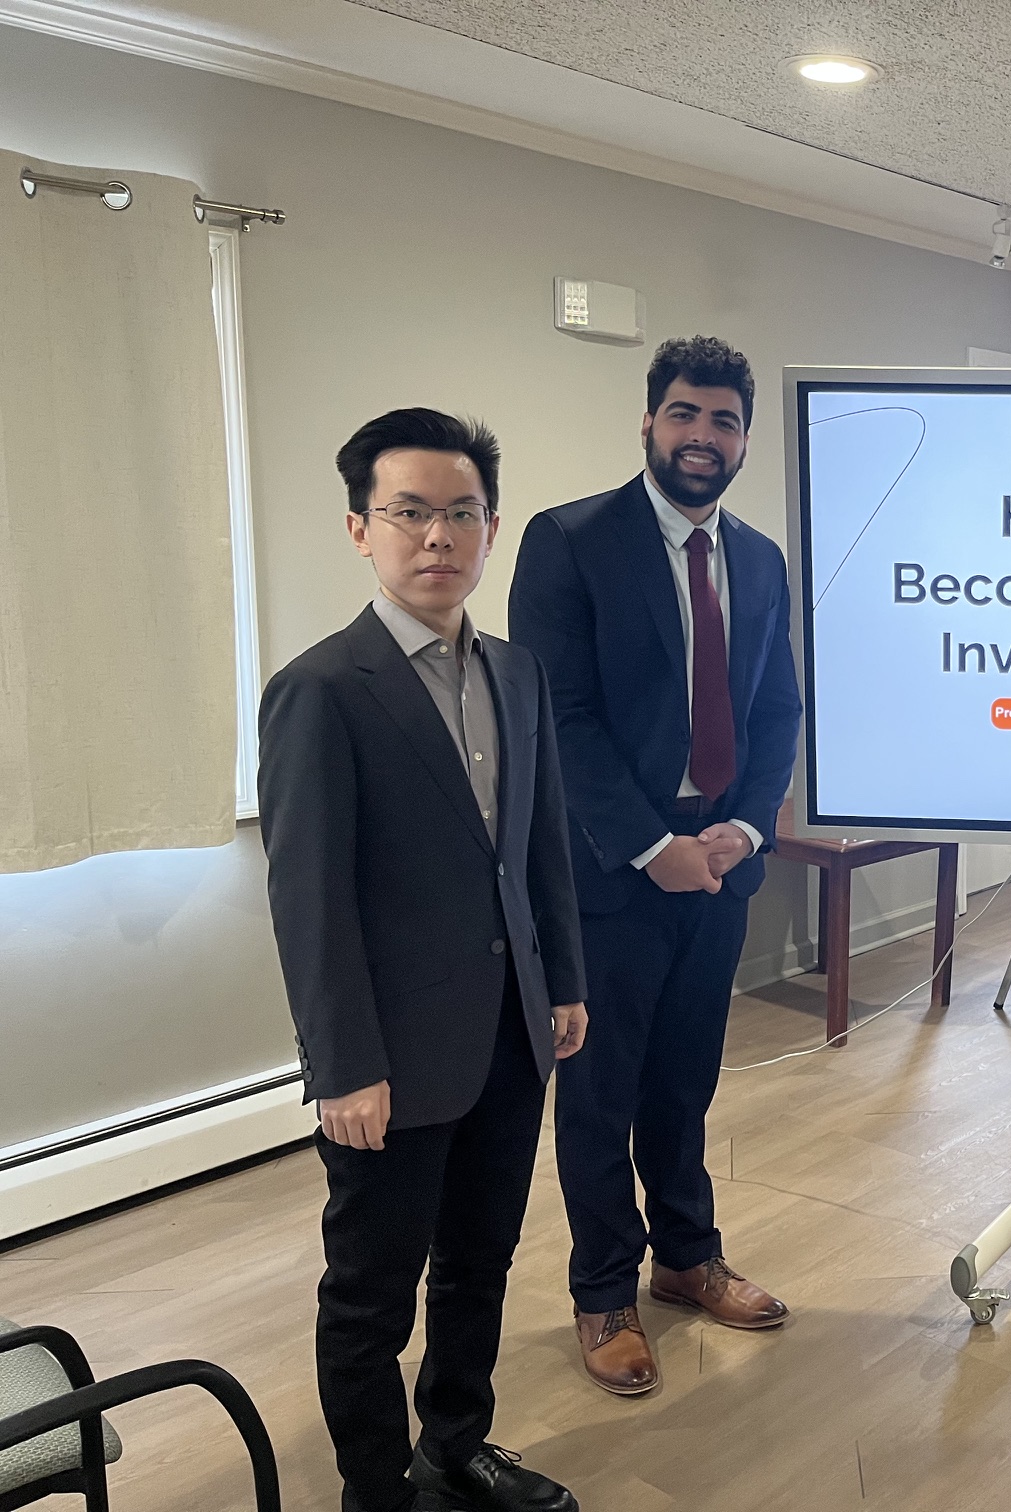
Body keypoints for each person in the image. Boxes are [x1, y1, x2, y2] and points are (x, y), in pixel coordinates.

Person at [259, 409, 588, 1512]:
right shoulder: (323, 690)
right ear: (360, 528)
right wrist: (340, 1065)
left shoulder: (518, 673)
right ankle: (374, 1491)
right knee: (370, 1294)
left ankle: (455, 1442)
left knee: (479, 1261)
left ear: (489, 527)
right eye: (410, 513)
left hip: (508, 1031)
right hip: (389, 1059)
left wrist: (566, 983)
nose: (437, 536)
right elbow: (309, 900)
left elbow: (540, 846)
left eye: (461, 513)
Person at [510, 335, 802, 1396]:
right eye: (684, 414)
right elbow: (562, 719)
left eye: (723, 421)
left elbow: (776, 711)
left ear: (743, 440)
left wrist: (746, 832)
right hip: (608, 873)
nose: (702, 436)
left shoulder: (761, 560)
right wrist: (652, 846)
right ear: (649, 421)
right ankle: (602, 1293)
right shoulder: (570, 541)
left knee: (685, 1083)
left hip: (719, 872)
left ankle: (686, 1256)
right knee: (600, 1094)